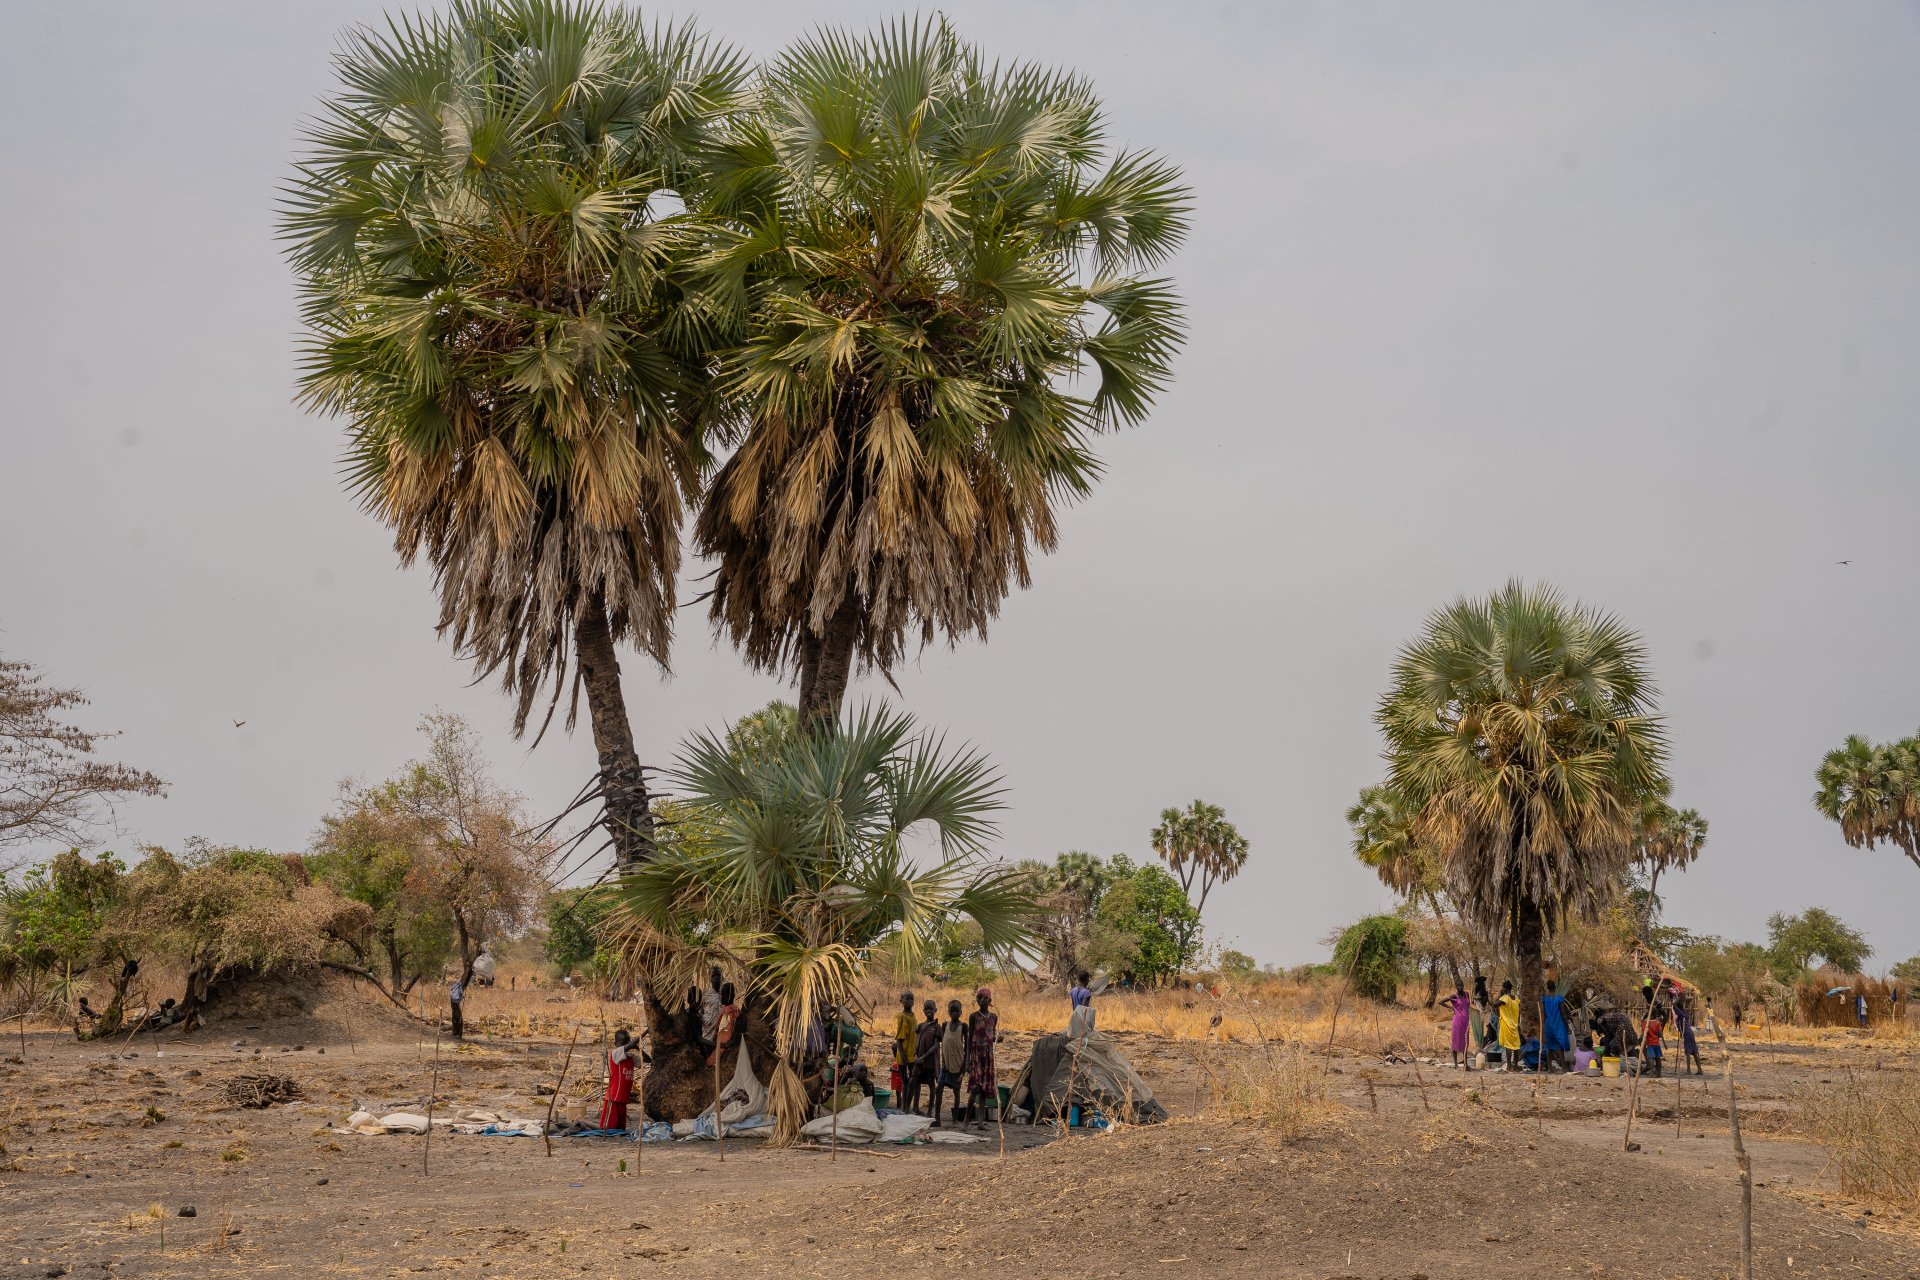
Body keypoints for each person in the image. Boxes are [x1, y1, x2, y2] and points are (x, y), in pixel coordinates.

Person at [966, 988, 1000, 1127]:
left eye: (984, 998)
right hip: (976, 1056)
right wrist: (967, 1060)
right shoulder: (973, 1016)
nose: (981, 1000)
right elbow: (969, 1038)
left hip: (988, 1057)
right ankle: (966, 1123)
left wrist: (998, 1038)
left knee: (985, 1090)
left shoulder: (993, 1017)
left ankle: (980, 1122)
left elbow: (991, 1035)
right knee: (975, 1089)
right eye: (979, 998)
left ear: (990, 1001)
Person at [933, 999, 968, 1126]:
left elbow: (967, 1045)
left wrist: (965, 1063)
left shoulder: (963, 1026)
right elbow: (943, 1045)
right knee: (939, 1089)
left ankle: (954, 1119)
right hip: (946, 1065)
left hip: (958, 1064)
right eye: (951, 1011)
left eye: (956, 1011)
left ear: (961, 1012)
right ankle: (937, 1119)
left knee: (956, 1091)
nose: (954, 1013)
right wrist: (943, 1061)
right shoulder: (944, 1025)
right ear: (948, 1011)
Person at [906, 999, 940, 1114]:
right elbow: (917, 1041)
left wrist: (924, 1057)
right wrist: (916, 1054)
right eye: (926, 1009)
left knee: (931, 1084)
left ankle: (930, 1111)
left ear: (935, 1010)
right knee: (912, 1082)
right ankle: (909, 1109)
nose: (928, 1011)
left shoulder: (937, 1027)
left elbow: (936, 1046)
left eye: (930, 1008)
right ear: (923, 1010)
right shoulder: (920, 1026)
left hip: (929, 1061)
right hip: (919, 1060)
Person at [600, 1028, 638, 1131]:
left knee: (620, 1129)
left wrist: (638, 1048)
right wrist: (644, 1034)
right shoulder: (615, 1054)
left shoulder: (630, 1057)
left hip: (623, 1098)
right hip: (613, 1098)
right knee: (607, 1128)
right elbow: (629, 1046)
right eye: (622, 1043)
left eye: (626, 1042)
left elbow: (647, 1060)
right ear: (615, 1043)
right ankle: (583, 1122)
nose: (624, 1045)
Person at [1540, 981, 1571, 1073]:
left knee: (1549, 1046)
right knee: (1560, 1045)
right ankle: (1564, 1067)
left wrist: (1544, 1024)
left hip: (1548, 1024)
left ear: (1548, 988)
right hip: (1558, 1024)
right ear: (1555, 987)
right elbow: (1563, 1013)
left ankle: (1550, 1068)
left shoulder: (1544, 999)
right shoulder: (1559, 998)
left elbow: (1544, 1014)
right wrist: (1567, 1026)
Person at [891, 990, 917, 1100]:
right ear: (901, 1000)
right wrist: (903, 1056)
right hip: (904, 1055)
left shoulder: (913, 1016)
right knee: (905, 1081)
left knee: (912, 1079)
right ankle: (904, 1106)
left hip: (912, 1054)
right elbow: (899, 1039)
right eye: (907, 999)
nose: (910, 1001)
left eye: (912, 999)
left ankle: (906, 1105)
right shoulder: (902, 1017)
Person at [1440, 983, 1473, 1069]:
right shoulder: (1454, 996)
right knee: (1456, 1041)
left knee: (1465, 1042)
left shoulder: (1467, 994)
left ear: (1463, 986)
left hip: (1466, 1021)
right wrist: (1451, 1008)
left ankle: (1465, 1064)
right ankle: (1455, 1064)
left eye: (1461, 986)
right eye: (1458, 987)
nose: (1460, 988)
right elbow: (1441, 1002)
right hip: (1457, 1021)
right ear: (1456, 988)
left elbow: (1468, 1004)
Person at [708, 983, 739, 1067]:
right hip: (722, 1041)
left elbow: (724, 1034)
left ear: (728, 996)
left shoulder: (727, 1013)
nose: (720, 997)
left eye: (722, 995)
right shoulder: (735, 1010)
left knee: (709, 1062)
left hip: (722, 1044)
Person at [1495, 981, 1521, 1070]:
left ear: (1504, 988)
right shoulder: (1516, 999)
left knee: (1508, 1046)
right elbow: (1519, 1012)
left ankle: (1509, 1066)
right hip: (1515, 1024)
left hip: (1507, 1024)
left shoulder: (1504, 998)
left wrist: (1500, 994)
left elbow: (1495, 1005)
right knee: (1516, 1046)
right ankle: (1516, 1065)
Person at [1675, 997, 1703, 1075]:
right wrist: (1681, 1035)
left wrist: (1678, 997)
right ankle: (1700, 1070)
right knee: (1694, 1051)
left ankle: (1688, 1070)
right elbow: (1681, 1026)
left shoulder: (1681, 1013)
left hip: (1687, 1034)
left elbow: (1674, 1005)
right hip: (1689, 1033)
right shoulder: (1684, 1013)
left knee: (1687, 1051)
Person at [1642, 1005, 1667, 1078]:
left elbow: (1644, 1034)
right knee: (1658, 1058)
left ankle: (1652, 1073)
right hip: (1656, 1043)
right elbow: (1660, 1033)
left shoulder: (1645, 1023)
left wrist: (1644, 1043)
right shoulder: (1657, 1023)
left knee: (1651, 1058)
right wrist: (1664, 1043)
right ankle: (1659, 1073)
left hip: (1650, 1043)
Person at [448, 973, 466, 1040]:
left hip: (455, 1001)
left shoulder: (458, 984)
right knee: (457, 1016)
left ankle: (457, 1033)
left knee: (457, 1016)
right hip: (455, 1001)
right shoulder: (457, 984)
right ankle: (456, 1033)